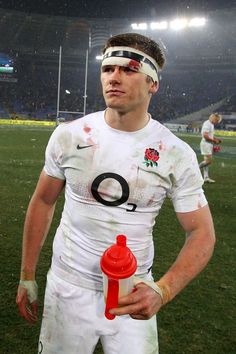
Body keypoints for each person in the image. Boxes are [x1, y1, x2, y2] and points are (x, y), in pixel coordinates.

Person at [16, 32, 216, 354]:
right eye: (108, 69)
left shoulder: (175, 153)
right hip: (68, 287)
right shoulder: (69, 136)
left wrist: (162, 290)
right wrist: (27, 274)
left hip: (134, 290)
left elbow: (202, 232)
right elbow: (42, 201)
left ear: (153, 83)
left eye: (128, 69)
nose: (114, 77)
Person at [199, 113, 222, 183]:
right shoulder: (207, 124)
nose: (217, 122)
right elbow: (205, 136)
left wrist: (216, 139)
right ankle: (195, 169)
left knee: (207, 162)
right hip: (206, 144)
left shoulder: (210, 124)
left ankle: (206, 177)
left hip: (208, 144)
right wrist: (214, 140)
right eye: (217, 120)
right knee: (208, 161)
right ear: (214, 118)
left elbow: (209, 135)